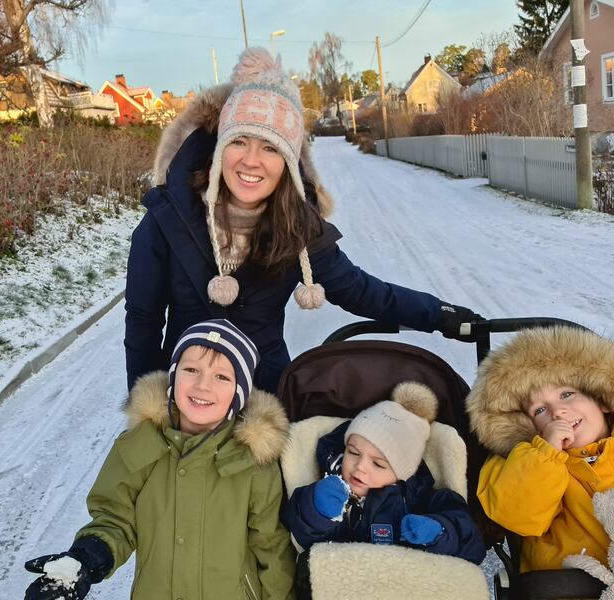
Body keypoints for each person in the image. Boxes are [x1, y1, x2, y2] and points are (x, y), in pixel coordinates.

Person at [124, 46, 483, 395]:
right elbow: (143, 322)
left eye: (270, 148)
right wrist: (149, 415)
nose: (251, 161)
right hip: (189, 402)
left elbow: (362, 291)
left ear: (289, 163)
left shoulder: (297, 229)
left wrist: (439, 315)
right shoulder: (166, 219)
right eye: (240, 142)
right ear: (220, 148)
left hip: (263, 401)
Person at [24, 319, 296, 600]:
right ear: (174, 377)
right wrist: (87, 558)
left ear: (239, 393)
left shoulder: (252, 461)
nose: (203, 385)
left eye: (222, 377)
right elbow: (115, 517)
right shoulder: (141, 445)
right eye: (191, 370)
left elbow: (270, 545)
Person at [282, 381, 485, 564]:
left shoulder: (418, 498)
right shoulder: (330, 484)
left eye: (378, 464)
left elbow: (471, 544)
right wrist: (317, 510)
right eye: (353, 452)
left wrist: (438, 533)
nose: (360, 466)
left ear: (403, 473)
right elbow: (299, 531)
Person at [468, 325, 614, 573]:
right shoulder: (519, 461)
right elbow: (518, 515)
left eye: (567, 394)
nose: (558, 411)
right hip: (572, 585)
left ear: (601, 398)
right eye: (540, 410)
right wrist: (545, 453)